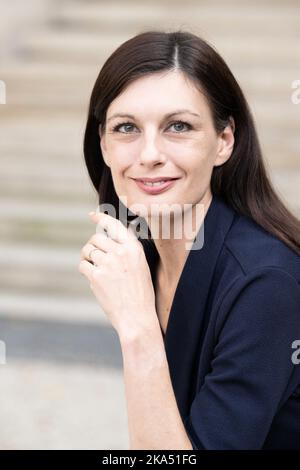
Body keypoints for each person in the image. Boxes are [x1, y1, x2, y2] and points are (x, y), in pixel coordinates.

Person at [78, 30, 300, 449]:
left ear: (224, 142)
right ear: (104, 146)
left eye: (178, 126)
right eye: (126, 128)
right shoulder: (143, 256)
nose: (149, 154)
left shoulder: (267, 283)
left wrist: (138, 329)